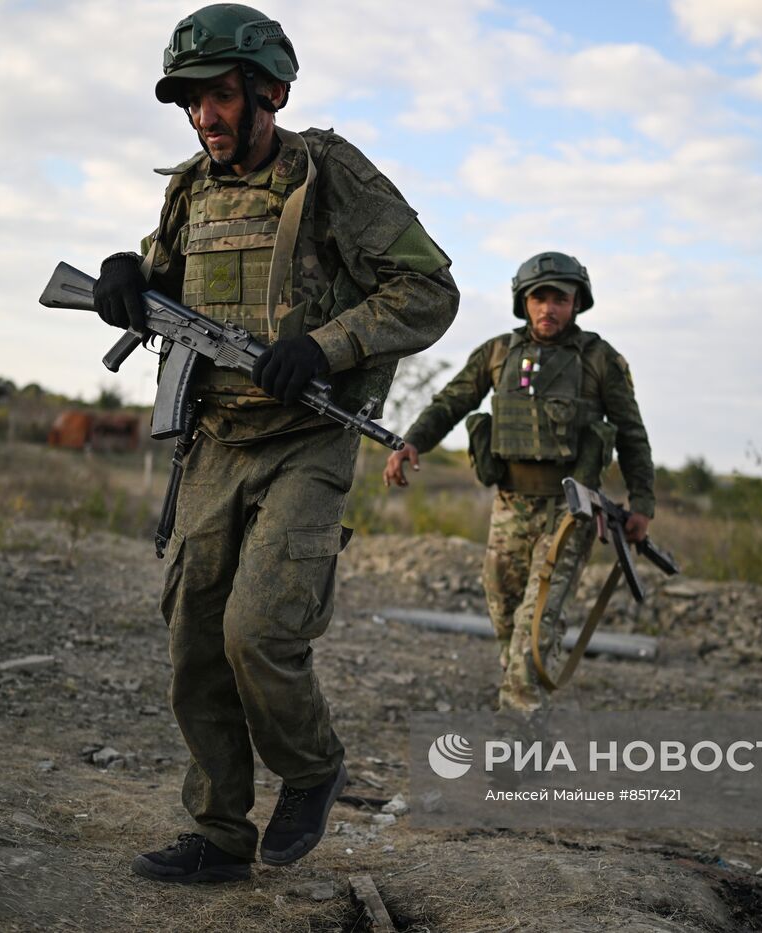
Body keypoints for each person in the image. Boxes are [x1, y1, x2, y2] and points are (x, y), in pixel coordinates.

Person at [92, 3, 458, 884]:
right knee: (194, 638)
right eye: (191, 102)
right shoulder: (189, 188)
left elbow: (430, 290)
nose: (206, 118)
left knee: (258, 631)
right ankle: (219, 833)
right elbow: (163, 273)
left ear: (270, 91)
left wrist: (324, 348)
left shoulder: (326, 174)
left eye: (220, 96)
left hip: (306, 439)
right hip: (212, 440)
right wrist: (126, 277)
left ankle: (312, 766)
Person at [383, 252, 653, 712]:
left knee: (536, 626)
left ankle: (517, 746)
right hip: (509, 506)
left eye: (560, 299)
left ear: (577, 303)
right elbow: (452, 402)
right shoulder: (498, 353)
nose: (549, 308)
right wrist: (412, 442)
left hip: (571, 512)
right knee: (507, 621)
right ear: (523, 302)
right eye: (539, 298)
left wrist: (642, 502)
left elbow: (631, 433)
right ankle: (526, 715)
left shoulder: (600, 359)